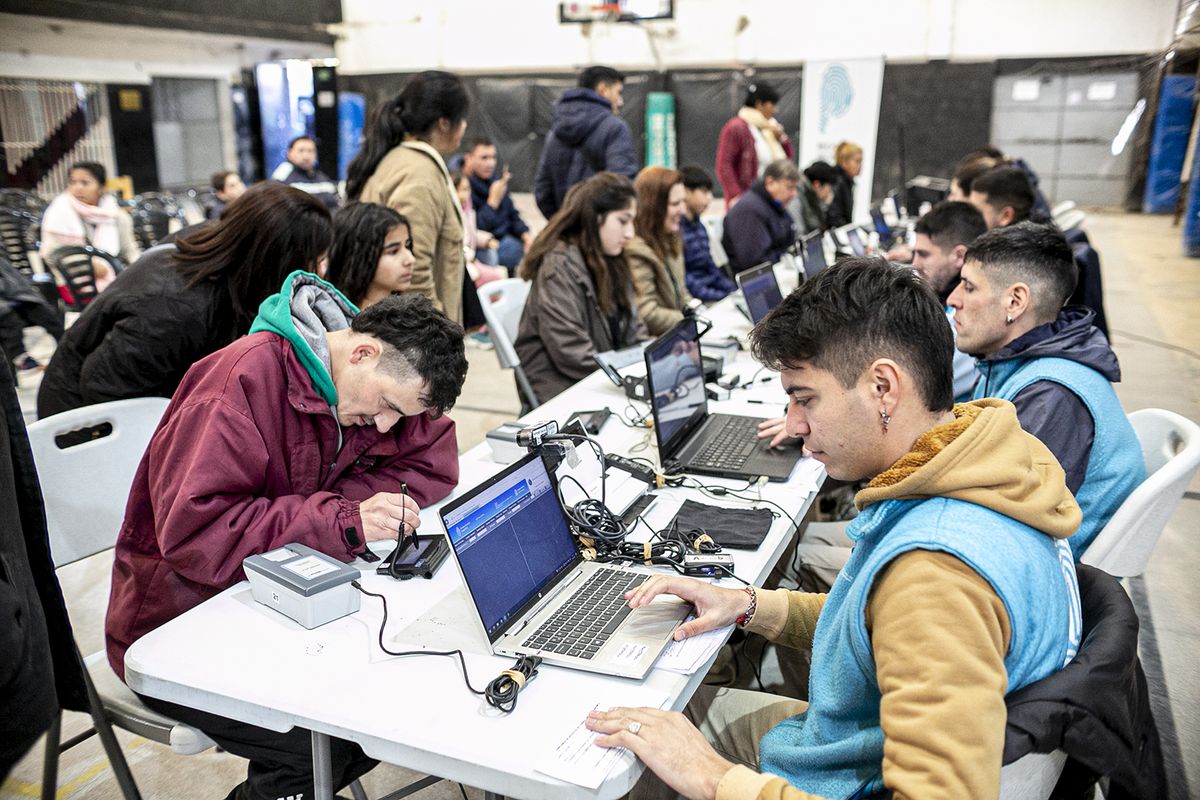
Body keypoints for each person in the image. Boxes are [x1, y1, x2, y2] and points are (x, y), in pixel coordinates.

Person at [586, 258, 1083, 800]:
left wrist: (712, 778)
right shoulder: (991, 462)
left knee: (610, 751)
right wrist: (748, 605)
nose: (794, 424)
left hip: (840, 781)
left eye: (805, 398)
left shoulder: (935, 576)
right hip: (851, 748)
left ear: (882, 387)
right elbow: (873, 619)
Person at [106, 274, 467, 800]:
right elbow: (197, 535)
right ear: (362, 352)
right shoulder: (237, 383)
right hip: (179, 620)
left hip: (283, 600)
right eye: (388, 405)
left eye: (400, 415)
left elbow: (433, 460)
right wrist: (341, 518)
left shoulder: (380, 380)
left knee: (396, 708)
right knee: (325, 746)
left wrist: (349, 506)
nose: (386, 425)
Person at [36, 182, 331, 418]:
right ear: (274, 259)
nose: (318, 273)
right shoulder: (176, 309)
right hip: (81, 425)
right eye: (312, 261)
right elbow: (104, 390)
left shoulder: (222, 247)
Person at [948, 222, 1144, 558]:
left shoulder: (1050, 396)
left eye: (968, 287)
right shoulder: (1012, 362)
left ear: (1015, 301)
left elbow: (1004, 525)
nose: (953, 300)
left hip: (1038, 569)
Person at [346, 70, 470, 325]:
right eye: (462, 119)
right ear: (444, 123)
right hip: (414, 333)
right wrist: (437, 333)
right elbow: (414, 271)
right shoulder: (419, 173)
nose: (465, 126)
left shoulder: (405, 160)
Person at [515, 172, 646, 404]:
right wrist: (627, 378)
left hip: (599, 378)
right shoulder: (558, 268)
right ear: (595, 218)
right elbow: (571, 352)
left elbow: (634, 328)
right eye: (622, 221)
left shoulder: (611, 258)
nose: (630, 233)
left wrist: (649, 362)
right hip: (564, 390)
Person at [969, 165, 1108, 335]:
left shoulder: (1017, 262)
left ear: (1006, 215)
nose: (969, 218)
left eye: (976, 212)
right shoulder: (1038, 238)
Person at [534, 65, 638, 219]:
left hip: (565, 226)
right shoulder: (615, 129)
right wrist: (597, 225)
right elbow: (621, 185)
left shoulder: (554, 133)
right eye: (618, 92)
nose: (621, 101)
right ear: (603, 89)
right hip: (600, 227)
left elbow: (543, 190)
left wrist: (562, 223)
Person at [911, 200, 988, 400]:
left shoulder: (965, 321)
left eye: (923, 255)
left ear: (959, 256)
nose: (914, 264)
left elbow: (914, 392)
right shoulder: (945, 298)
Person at [39, 161, 141, 291]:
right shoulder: (59, 212)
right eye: (72, 182)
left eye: (85, 183)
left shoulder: (117, 216)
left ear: (101, 188)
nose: (78, 188)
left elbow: (130, 251)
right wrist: (87, 266)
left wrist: (142, 270)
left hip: (114, 279)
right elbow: (51, 255)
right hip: (71, 283)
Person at [627, 166, 693, 336]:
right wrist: (693, 321)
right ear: (653, 206)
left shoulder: (670, 238)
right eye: (675, 204)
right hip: (660, 341)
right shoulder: (636, 250)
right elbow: (647, 313)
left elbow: (682, 294)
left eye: (683, 202)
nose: (683, 210)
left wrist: (697, 311)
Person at [715, 82, 795, 208]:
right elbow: (724, 166)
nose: (775, 110)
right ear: (759, 104)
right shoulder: (737, 127)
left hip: (770, 199)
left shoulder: (770, 127)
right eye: (772, 105)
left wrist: (782, 140)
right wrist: (738, 197)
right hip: (748, 201)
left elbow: (786, 162)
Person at [323, 201, 416, 308]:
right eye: (393, 251)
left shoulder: (406, 312)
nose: (410, 259)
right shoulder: (333, 315)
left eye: (407, 246)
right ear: (358, 257)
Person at [461, 137, 532, 272]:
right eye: (484, 158)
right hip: (479, 245)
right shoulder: (462, 186)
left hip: (503, 239)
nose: (490, 163)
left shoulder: (495, 181)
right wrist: (492, 202)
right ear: (468, 159)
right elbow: (472, 229)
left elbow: (513, 215)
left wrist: (526, 236)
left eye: (493, 157)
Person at [721, 159, 798, 274]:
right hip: (757, 279)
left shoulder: (775, 205)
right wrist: (784, 257)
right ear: (770, 183)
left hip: (777, 270)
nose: (794, 194)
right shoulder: (749, 210)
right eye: (789, 187)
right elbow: (755, 262)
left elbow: (789, 240)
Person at [678, 166, 735, 302]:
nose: (710, 198)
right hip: (697, 299)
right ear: (686, 192)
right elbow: (685, 278)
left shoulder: (700, 227)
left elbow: (710, 266)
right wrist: (718, 296)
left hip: (712, 293)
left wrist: (732, 291)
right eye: (704, 192)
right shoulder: (676, 230)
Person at [0, 255, 63, 373]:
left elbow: (16, 278)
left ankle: (66, 350)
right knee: (9, 320)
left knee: (47, 316)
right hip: (4, 303)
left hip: (19, 295)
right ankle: (21, 358)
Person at [271, 136, 339, 211]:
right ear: (289, 154)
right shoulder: (283, 173)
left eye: (310, 151)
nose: (306, 156)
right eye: (301, 150)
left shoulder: (321, 176)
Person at [823, 141, 863, 229]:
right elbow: (834, 216)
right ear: (844, 162)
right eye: (857, 161)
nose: (860, 165)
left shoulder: (846, 182)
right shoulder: (837, 181)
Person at [797, 161, 836, 236]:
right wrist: (826, 204)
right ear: (817, 185)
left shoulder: (810, 193)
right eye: (829, 188)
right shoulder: (798, 195)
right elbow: (814, 224)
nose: (829, 192)